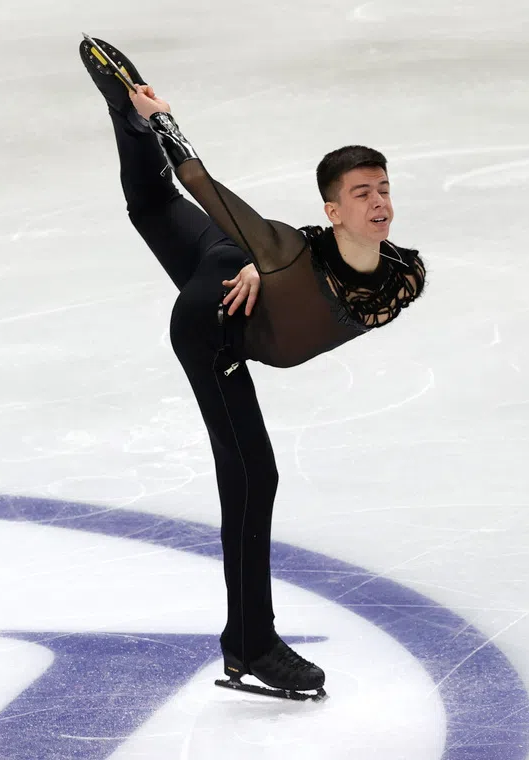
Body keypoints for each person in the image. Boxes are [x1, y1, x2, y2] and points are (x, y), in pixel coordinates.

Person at [79, 36, 426, 701]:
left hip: (238, 269)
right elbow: (203, 185)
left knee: (155, 212)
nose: (378, 201)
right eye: (361, 192)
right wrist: (167, 126)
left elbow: (323, 302)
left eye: (383, 188)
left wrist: (267, 272)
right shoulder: (289, 252)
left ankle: (127, 119)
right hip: (214, 327)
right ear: (334, 209)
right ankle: (251, 640)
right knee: (252, 474)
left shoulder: (400, 272)